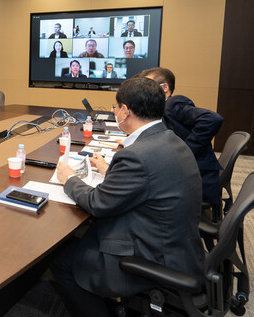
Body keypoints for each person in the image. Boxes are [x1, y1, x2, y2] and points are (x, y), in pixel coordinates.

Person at [52, 78, 204, 316]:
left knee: (62, 260)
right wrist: (109, 170)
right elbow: (148, 179)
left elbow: (97, 203)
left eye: (115, 107)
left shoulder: (137, 155)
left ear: (125, 111)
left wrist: (69, 179)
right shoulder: (169, 138)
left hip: (151, 256)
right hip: (177, 246)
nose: (114, 111)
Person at [139, 67, 224, 206]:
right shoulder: (161, 108)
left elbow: (212, 119)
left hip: (196, 179)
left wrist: (185, 150)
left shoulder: (173, 103)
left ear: (165, 87)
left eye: (148, 85)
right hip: (184, 173)